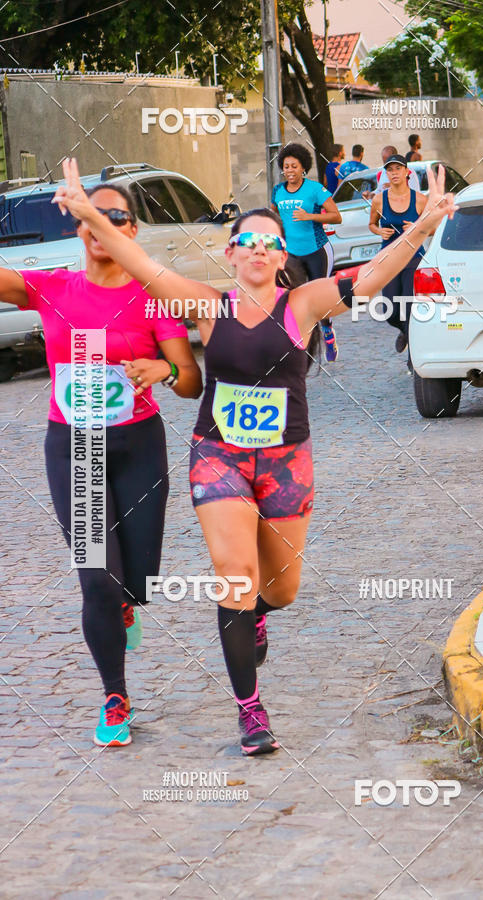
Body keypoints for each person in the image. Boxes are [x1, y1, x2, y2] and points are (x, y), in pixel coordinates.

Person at [53, 158, 457, 756]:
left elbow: (370, 278)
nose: (260, 250)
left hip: (287, 461)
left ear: (281, 256)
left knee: (282, 588)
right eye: (249, 241)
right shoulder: (207, 307)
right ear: (231, 253)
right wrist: (91, 214)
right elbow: (142, 265)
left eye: (271, 242)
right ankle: (249, 708)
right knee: (235, 577)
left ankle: (260, 613)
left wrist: (419, 228)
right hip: (218, 458)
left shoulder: (305, 303)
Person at [0, 179, 203, 748]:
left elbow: (192, 383)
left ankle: (129, 603)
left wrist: (164, 370)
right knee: (97, 579)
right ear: (77, 226)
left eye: (113, 215)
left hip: (139, 445)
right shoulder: (53, 288)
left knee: (136, 578)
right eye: (89, 215)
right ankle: (114, 696)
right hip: (77, 447)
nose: (99, 225)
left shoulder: (154, 298)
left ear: (130, 230)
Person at [271, 142, 342, 362]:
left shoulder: (315, 189)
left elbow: (336, 216)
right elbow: (275, 215)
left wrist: (310, 216)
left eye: (294, 166)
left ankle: (328, 331)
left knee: (319, 298)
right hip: (291, 254)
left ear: (303, 168)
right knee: (297, 299)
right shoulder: (278, 192)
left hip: (317, 250)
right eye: (286, 166)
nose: (290, 170)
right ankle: (302, 344)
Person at [369, 154, 429, 360]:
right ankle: (404, 332)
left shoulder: (420, 200)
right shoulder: (379, 199)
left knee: (411, 308)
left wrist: (418, 227)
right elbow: (372, 224)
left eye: (398, 169)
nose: (394, 173)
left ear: (406, 172)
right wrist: (379, 232)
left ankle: (414, 358)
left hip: (414, 258)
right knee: (390, 310)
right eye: (390, 170)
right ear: (387, 173)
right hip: (389, 259)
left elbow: (434, 228)